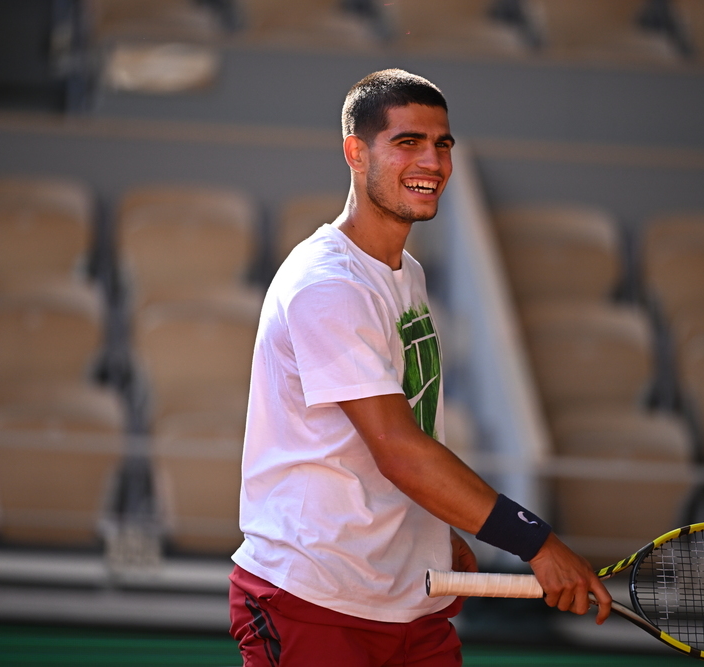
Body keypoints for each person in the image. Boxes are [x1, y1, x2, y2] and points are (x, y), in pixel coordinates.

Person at [229, 68, 611, 667]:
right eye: (408, 142)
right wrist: (533, 541)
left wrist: (432, 531)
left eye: (443, 144)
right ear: (356, 152)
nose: (432, 161)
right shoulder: (327, 285)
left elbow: (395, 435)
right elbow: (399, 449)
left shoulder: (406, 273)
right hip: (314, 597)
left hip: (409, 599)